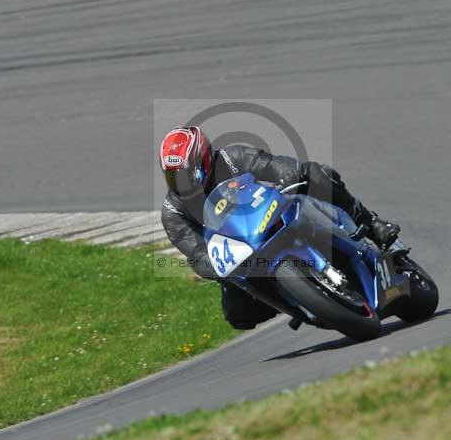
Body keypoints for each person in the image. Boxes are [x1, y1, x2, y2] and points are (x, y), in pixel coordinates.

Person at [159, 126, 400, 330]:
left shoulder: (233, 158)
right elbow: (195, 251)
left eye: (188, 173)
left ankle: (370, 224)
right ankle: (296, 298)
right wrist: (212, 265)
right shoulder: (173, 211)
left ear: (205, 159)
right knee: (237, 316)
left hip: (271, 214)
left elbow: (274, 166)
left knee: (316, 174)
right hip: (242, 252)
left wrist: (289, 176)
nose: (181, 182)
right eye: (172, 177)